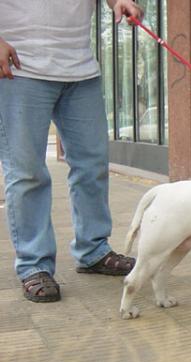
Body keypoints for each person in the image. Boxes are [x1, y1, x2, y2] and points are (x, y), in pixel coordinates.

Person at [0, 0, 144, 302]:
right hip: (19, 68)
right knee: (26, 173)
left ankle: (93, 250)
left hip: (80, 70)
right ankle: (34, 264)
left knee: (93, 165)